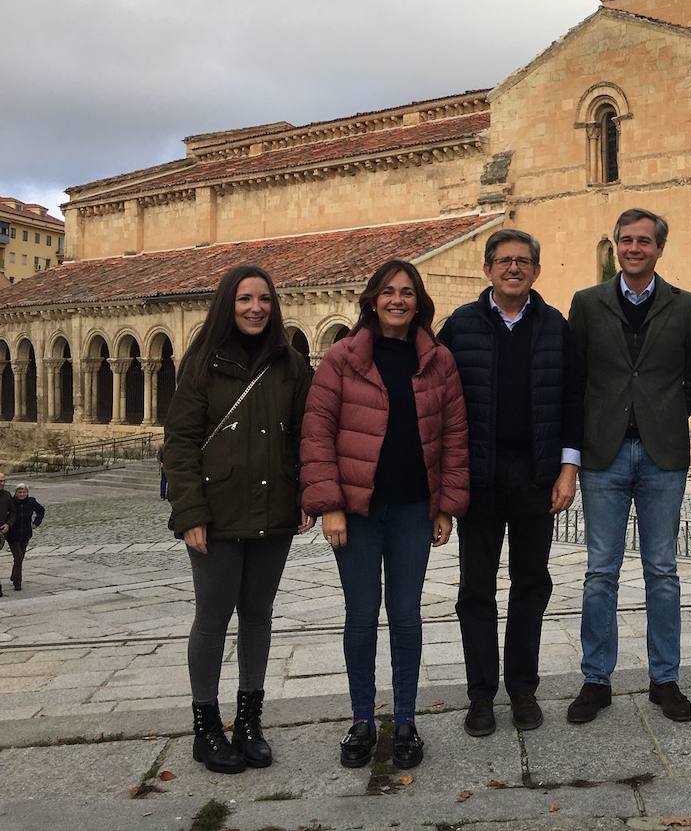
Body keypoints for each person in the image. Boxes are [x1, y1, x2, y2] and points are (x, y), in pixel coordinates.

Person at [301, 259, 469, 770]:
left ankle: (405, 721)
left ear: (419, 301)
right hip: (357, 511)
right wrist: (329, 503)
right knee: (359, 615)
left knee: (406, 615)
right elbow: (317, 432)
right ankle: (361, 720)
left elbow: (455, 437)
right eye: (389, 292)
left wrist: (447, 508)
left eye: (407, 292)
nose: (398, 300)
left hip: (414, 509)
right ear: (372, 299)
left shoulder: (439, 361)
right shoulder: (341, 359)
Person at [163, 264, 315, 774]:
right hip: (216, 514)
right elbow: (179, 443)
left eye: (265, 300)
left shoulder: (291, 364)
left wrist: (305, 496)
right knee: (211, 618)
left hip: (274, 512)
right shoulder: (201, 364)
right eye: (245, 299)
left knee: (258, 615)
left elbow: (302, 436)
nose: (256, 308)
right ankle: (206, 728)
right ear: (228, 304)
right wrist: (190, 513)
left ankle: (249, 722)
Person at [437, 229, 582, 738]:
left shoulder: (555, 326)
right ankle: (481, 696)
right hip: (478, 479)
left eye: (523, 261)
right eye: (504, 261)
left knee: (531, 585)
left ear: (536, 271)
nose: (514, 269)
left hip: (536, 477)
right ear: (488, 269)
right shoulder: (461, 326)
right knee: (475, 589)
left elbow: (571, 400)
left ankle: (522, 689)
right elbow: (438, 400)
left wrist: (569, 468)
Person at [566, 208, 691, 724]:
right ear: (616, 247)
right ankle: (596, 679)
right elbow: (575, 377)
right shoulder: (586, 303)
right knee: (600, 571)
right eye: (625, 240)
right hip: (602, 456)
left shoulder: (685, 306)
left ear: (658, 248)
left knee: (663, 571)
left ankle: (664, 679)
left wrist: (664, 415)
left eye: (643, 241)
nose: (633, 248)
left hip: (661, 455)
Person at [5, 480, 45, 591]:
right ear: (16, 493)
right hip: (13, 535)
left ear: (27, 493)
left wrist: (36, 523)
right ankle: (18, 582)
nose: (22, 494)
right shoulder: (11, 502)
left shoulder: (31, 502)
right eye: (20, 492)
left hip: (26, 534)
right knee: (18, 557)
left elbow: (41, 511)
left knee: (20, 558)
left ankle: (14, 576)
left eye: (24, 492)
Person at [0, 473, 15, 598]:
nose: (3, 483)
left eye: (4, 481)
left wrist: (8, 525)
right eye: (0, 481)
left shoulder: (7, 495)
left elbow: (13, 512)